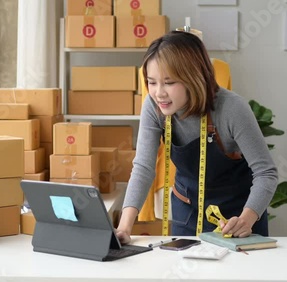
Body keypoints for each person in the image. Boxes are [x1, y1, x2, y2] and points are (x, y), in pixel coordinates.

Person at [115, 31, 278, 244]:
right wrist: (124, 227)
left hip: (237, 216)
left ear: (194, 76)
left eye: (169, 82)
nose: (159, 93)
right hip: (187, 210)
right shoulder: (154, 107)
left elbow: (266, 172)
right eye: (152, 82)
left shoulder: (231, 108)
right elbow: (144, 167)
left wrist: (247, 218)